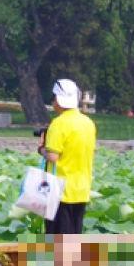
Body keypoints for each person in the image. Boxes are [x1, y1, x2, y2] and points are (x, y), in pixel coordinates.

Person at [37, 78, 96, 235]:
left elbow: (53, 157)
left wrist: (41, 149)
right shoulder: (88, 123)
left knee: (57, 243)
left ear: (58, 100)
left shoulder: (58, 124)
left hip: (59, 191)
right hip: (82, 189)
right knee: (73, 239)